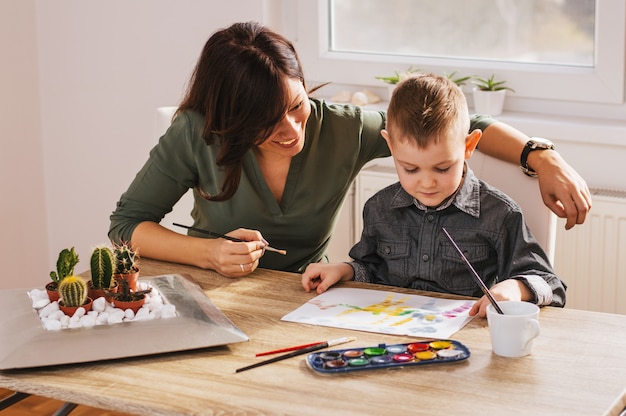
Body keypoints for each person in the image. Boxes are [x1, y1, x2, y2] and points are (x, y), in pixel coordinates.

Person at [109, 21, 590, 278]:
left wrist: (542, 156)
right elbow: (126, 227)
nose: (291, 130)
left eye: (295, 105)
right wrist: (208, 253)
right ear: (229, 120)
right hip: (209, 293)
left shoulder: (339, 128)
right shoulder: (196, 132)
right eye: (264, 123)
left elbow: (461, 125)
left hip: (294, 300)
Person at [301, 73, 566, 318]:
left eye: (442, 168)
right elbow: (371, 269)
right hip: (391, 333)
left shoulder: (500, 214)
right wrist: (344, 270)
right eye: (410, 168)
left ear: (469, 146)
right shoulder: (379, 207)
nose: (427, 182)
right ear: (390, 146)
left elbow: (551, 285)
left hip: (466, 343)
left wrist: (515, 289)